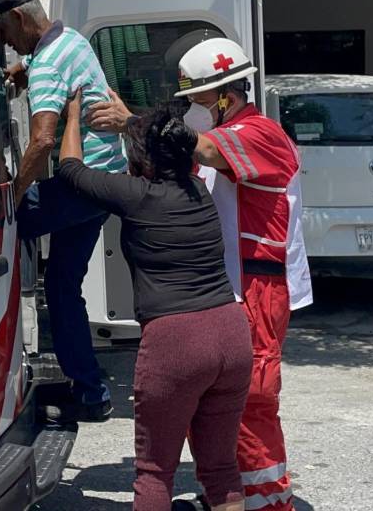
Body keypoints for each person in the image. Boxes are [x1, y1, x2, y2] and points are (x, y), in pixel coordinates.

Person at [88, 38, 312, 511]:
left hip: (256, 286)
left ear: (226, 98)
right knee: (212, 406)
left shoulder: (259, 133)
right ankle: (230, 498)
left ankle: (269, 504)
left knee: (250, 404)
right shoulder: (229, 132)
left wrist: (133, 120)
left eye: (197, 101)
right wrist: (138, 124)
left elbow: (203, 149)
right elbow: (174, 156)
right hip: (226, 291)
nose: (190, 110)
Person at [57, 92, 252, 511]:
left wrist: (71, 115)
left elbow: (71, 170)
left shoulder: (138, 194)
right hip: (231, 333)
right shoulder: (199, 188)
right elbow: (168, 140)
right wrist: (137, 122)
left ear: (143, 162)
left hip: (176, 341)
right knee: (220, 469)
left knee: (155, 472)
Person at [0, 0, 128, 421]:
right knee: (63, 286)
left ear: (15, 18)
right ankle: (90, 393)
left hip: (79, 183)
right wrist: (22, 72)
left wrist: (12, 195)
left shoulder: (47, 65)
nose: (7, 46)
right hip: (105, 182)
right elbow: (58, 72)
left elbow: (43, 140)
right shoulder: (71, 41)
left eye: (6, 35)